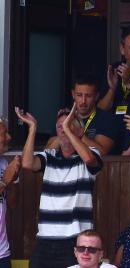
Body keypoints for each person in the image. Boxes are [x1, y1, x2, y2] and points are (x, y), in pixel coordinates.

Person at [19, 105, 103, 268]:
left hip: (75, 241)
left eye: (69, 125)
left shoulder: (91, 154)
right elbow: (27, 163)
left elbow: (89, 160)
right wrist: (33, 128)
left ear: (80, 131)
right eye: (60, 127)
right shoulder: (49, 156)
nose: (64, 130)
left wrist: (68, 130)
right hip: (45, 239)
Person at [46, 76, 119, 155]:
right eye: (79, 95)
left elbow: (102, 153)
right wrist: (64, 130)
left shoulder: (106, 119)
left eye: (88, 96)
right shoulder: (65, 118)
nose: (83, 101)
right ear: (73, 94)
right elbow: (47, 151)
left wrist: (75, 133)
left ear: (96, 96)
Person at [0, 118, 20, 268]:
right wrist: (5, 181)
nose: (9, 137)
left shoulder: (3, 163)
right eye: (4, 133)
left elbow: (12, 204)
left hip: (2, 252)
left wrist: (15, 179)